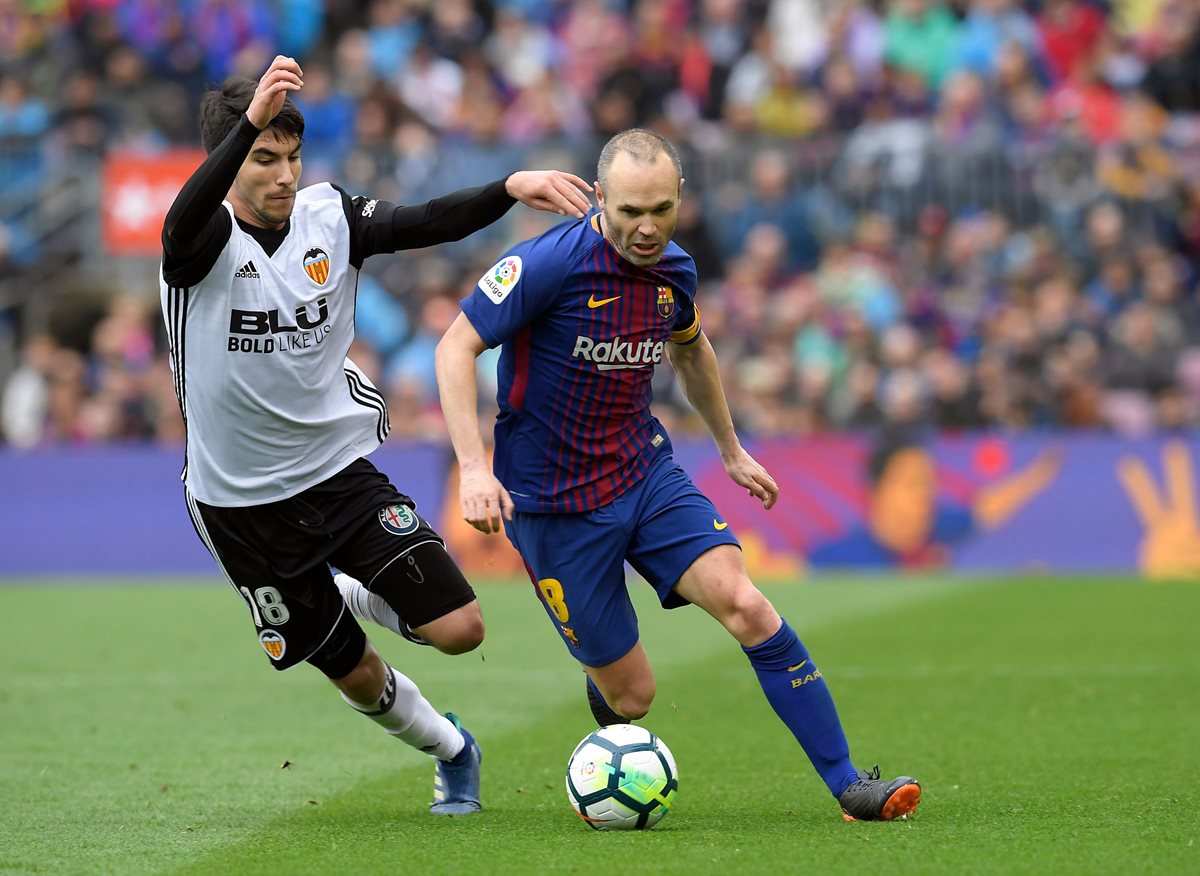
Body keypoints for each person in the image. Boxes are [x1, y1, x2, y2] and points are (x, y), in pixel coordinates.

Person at [433, 128, 921, 822]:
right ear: (600, 200)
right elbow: (455, 348)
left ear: (679, 197)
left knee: (747, 604)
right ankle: (602, 675)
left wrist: (730, 449)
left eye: (660, 209)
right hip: (552, 505)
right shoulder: (545, 264)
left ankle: (849, 784)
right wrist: (474, 467)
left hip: (643, 473)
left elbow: (693, 353)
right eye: (630, 212)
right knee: (633, 698)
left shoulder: (676, 270)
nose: (645, 227)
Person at [158, 56, 592, 816]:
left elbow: (420, 222)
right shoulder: (200, 243)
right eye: (264, 157)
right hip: (239, 503)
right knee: (353, 672)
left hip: (336, 471)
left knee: (460, 628)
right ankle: (452, 752)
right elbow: (178, 221)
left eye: (292, 156)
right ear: (230, 161)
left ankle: (347, 588)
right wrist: (251, 119)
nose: (285, 174)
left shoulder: (330, 216)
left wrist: (507, 188)